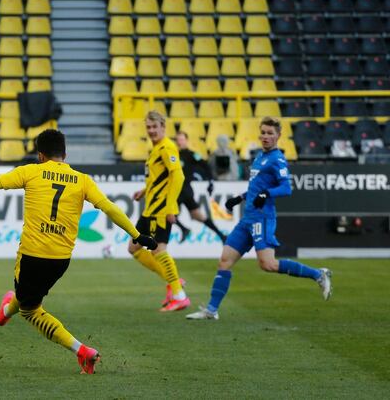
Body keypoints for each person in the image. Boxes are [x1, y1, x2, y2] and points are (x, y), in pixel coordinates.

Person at [0, 129, 157, 374]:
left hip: (31, 255)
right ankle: (4, 312)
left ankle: (82, 351)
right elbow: (110, 208)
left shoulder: (31, 171)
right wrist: (136, 235)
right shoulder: (82, 180)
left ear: (40, 155)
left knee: (29, 309)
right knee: (28, 295)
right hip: (60, 260)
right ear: (65, 154)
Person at [187, 117, 332, 321]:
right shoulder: (258, 157)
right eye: (263, 132)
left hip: (262, 219)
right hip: (248, 218)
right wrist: (239, 198)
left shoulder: (277, 159)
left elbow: (286, 187)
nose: (265, 136)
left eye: (270, 133)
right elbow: (256, 187)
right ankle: (211, 310)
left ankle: (318, 274)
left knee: (268, 265)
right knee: (224, 261)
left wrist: (267, 194)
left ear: (278, 136)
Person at [127, 111, 191, 312]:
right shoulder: (155, 149)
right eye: (149, 127)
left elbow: (178, 177)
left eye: (155, 127)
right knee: (134, 248)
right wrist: (144, 190)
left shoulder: (167, 147)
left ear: (163, 127)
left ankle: (179, 295)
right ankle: (174, 281)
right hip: (150, 209)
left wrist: (171, 207)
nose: (152, 131)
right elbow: (159, 178)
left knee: (158, 250)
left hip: (161, 210)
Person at [174, 131, 227, 243]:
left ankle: (184, 229)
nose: (180, 142)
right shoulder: (173, 155)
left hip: (185, 190)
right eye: (178, 139)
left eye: (182, 139)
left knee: (167, 214)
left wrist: (210, 181)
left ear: (186, 140)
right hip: (177, 191)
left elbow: (205, 165)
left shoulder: (192, 155)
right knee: (198, 216)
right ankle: (221, 235)